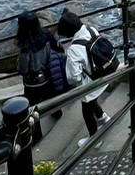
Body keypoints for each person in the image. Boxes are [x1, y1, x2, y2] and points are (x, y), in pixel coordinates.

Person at [57, 8, 110, 143]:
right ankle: (103, 117)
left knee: (86, 109)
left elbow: (73, 77)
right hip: (104, 74)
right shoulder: (91, 29)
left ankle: (94, 138)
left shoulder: (74, 49)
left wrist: (79, 80)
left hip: (91, 82)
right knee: (92, 99)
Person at [15, 13, 65, 140]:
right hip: (47, 75)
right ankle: (56, 113)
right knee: (51, 97)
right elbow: (58, 49)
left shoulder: (22, 43)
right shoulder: (45, 35)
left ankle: (37, 134)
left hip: (30, 82)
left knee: (32, 108)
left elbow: (22, 68)